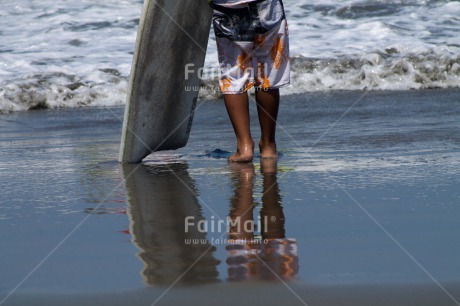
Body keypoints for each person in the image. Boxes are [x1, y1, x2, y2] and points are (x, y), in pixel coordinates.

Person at [210, 0, 290, 162]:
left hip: (228, 7)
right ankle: (268, 146)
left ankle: (244, 147)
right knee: (267, 75)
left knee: (234, 76)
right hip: (266, 6)